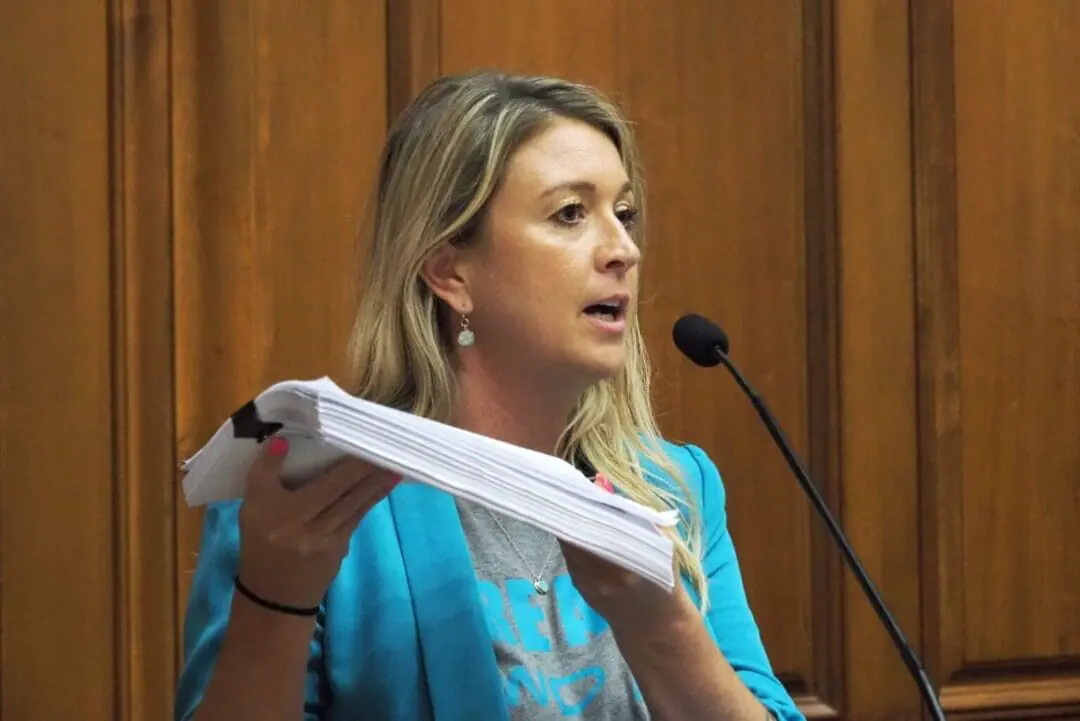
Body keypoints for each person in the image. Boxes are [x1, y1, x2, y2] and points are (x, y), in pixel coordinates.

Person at [174, 70, 805, 721]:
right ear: (450, 272)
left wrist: (661, 625)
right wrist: (275, 597)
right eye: (570, 214)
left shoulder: (673, 487)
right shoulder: (312, 501)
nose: (623, 249)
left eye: (624, 213)